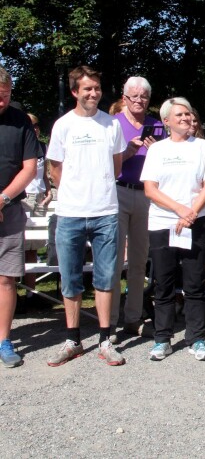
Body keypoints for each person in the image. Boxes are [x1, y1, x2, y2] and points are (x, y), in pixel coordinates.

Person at [46, 65, 126, 366]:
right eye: (87, 89)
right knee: (71, 279)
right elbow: (56, 167)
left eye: (97, 88)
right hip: (71, 213)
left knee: (106, 278)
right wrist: (75, 190)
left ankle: (106, 339)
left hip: (105, 210)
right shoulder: (63, 125)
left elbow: (116, 166)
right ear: (75, 92)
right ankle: (73, 339)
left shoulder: (111, 125)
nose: (93, 93)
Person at [141, 97, 205, 361]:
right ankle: (162, 337)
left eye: (188, 114)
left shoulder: (203, 146)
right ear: (166, 122)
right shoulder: (157, 150)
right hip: (164, 223)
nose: (186, 118)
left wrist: (191, 213)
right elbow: (150, 189)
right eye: (179, 115)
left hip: (195, 222)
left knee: (194, 282)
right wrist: (179, 210)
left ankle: (196, 338)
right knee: (163, 283)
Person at [110, 77, 164, 343]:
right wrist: (127, 153)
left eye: (143, 97)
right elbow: (105, 165)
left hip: (146, 194)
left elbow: (167, 162)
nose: (139, 101)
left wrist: (158, 153)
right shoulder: (113, 124)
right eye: (133, 96)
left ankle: (133, 318)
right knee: (114, 259)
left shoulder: (157, 125)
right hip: (118, 192)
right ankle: (108, 322)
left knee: (140, 260)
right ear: (124, 97)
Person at [0, 67, 39, 367]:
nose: (2, 100)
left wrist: (2, 198)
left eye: (6, 95)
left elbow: (30, 168)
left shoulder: (20, 121)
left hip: (9, 207)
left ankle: (4, 340)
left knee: (6, 279)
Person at [19, 113, 53, 308]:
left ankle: (31, 294)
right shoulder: (19, 146)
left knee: (33, 247)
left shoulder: (42, 147)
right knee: (18, 246)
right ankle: (13, 294)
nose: (35, 129)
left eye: (37, 125)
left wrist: (48, 191)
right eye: (31, 125)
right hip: (22, 197)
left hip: (39, 197)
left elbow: (45, 175)